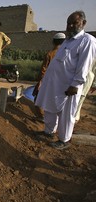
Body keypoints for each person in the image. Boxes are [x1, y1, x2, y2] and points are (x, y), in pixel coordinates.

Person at [35, 11, 96, 150]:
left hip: (69, 86)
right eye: (69, 23)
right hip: (55, 84)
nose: (70, 26)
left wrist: (75, 84)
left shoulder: (87, 41)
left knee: (66, 114)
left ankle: (64, 140)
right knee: (50, 108)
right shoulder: (68, 41)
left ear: (83, 23)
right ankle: (48, 132)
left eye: (75, 23)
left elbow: (84, 65)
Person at [32, 32, 66, 121]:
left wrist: (40, 82)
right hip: (61, 83)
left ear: (53, 42)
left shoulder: (50, 54)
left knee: (38, 99)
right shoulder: (67, 54)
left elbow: (44, 69)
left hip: (48, 81)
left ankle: (41, 117)